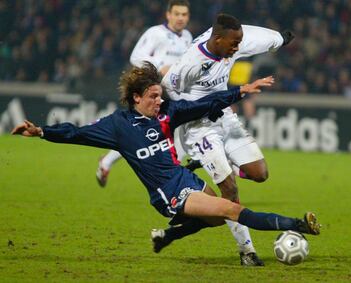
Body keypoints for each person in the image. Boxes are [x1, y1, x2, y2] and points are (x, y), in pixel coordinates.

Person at [12, 63, 320, 262]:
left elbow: (205, 103)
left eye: (161, 96)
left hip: (185, 179)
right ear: (136, 97)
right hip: (168, 194)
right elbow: (77, 133)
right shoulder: (118, 126)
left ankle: (167, 235)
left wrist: (239, 91)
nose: (160, 101)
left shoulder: (167, 115)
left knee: (214, 219)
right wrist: (41, 131)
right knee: (230, 209)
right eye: (153, 96)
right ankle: (298, 224)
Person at [161, 14, 295, 264]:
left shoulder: (232, 41)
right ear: (218, 39)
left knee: (260, 173)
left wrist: (279, 39)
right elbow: (168, 94)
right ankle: (247, 251)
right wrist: (175, 137)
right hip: (199, 127)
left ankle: (220, 162)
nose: (237, 48)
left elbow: (254, 38)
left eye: (238, 43)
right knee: (229, 189)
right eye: (234, 44)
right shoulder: (190, 64)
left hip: (224, 116)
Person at [96, 0, 192, 188]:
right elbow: (136, 57)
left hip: (176, 93)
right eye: (177, 14)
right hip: (154, 92)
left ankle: (177, 174)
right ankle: (107, 162)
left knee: (175, 131)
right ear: (168, 15)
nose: (181, 18)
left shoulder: (187, 36)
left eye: (184, 14)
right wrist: (160, 66)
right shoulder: (155, 33)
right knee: (141, 134)